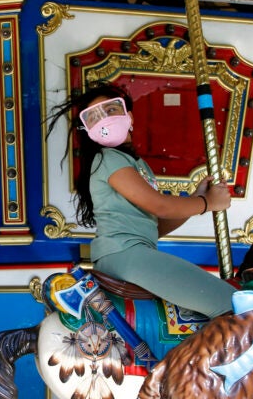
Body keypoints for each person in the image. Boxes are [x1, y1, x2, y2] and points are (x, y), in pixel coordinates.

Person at [46, 83, 235, 319]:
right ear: (89, 130)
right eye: (94, 117)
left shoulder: (136, 164)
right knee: (233, 304)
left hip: (132, 253)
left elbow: (156, 226)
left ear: (130, 116)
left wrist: (198, 199)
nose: (105, 120)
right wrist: (207, 203)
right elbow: (160, 206)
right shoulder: (108, 158)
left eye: (111, 110)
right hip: (124, 255)